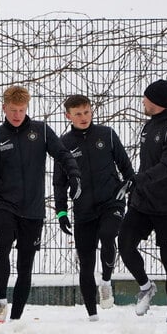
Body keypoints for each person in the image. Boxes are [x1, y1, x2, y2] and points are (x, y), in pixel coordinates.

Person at [0, 85, 81, 323]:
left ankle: (16, 319)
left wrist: (74, 174)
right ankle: (1, 301)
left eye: (21, 110)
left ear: (27, 108)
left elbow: (62, 154)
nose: (17, 115)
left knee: (25, 264)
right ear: (4, 108)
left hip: (33, 209)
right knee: (3, 246)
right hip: (5, 204)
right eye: (13, 110)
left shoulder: (41, 131)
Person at [53, 95, 135, 320]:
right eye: (78, 114)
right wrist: (61, 212)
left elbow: (127, 169)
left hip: (111, 202)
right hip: (83, 209)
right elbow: (59, 182)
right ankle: (92, 316)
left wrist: (129, 186)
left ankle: (106, 281)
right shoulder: (64, 144)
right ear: (68, 116)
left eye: (87, 112)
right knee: (86, 263)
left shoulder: (107, 135)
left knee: (108, 235)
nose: (84, 117)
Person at [117, 79, 167, 322]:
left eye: (146, 98)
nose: (143, 102)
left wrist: (138, 180)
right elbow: (146, 164)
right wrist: (133, 186)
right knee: (125, 244)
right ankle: (146, 287)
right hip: (142, 204)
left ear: (157, 102)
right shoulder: (149, 126)